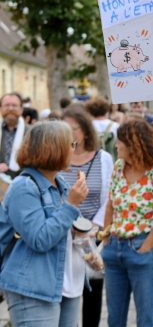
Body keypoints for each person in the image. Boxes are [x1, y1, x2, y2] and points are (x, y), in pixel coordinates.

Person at [0, 120, 89, 327]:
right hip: (34, 287)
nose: (73, 150)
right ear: (52, 148)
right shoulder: (23, 187)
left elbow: (64, 231)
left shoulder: (61, 185)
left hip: (68, 285)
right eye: (70, 144)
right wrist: (71, 204)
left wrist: (85, 237)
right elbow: (40, 239)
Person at [102, 118, 153, 327]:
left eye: (120, 142)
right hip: (114, 248)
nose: (116, 146)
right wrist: (106, 237)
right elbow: (110, 204)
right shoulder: (119, 167)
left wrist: (146, 247)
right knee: (114, 319)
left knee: (146, 319)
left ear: (133, 144)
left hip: (142, 248)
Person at [59, 107, 113, 327]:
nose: (69, 135)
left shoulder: (103, 158)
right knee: (66, 291)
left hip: (92, 232)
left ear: (85, 130)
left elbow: (109, 196)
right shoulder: (59, 157)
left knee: (93, 289)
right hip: (63, 231)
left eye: (72, 129)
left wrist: (94, 226)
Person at [0, 93, 32, 178]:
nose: (10, 109)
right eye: (7, 105)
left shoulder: (32, 132)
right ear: (0, 108)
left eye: (14, 105)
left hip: (25, 181)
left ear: (21, 109)